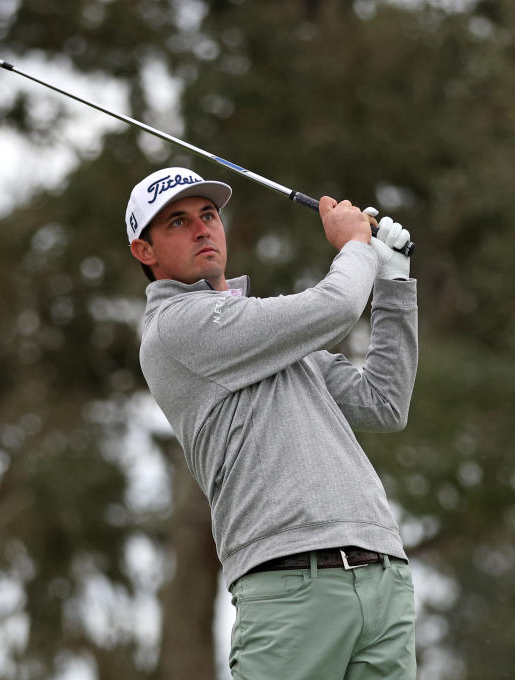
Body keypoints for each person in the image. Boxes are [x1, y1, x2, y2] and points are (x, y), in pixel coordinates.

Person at [126, 166, 418, 679]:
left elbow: (383, 404)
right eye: (177, 222)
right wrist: (356, 247)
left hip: (381, 576)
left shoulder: (265, 332)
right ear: (144, 251)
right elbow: (338, 306)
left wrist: (393, 281)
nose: (201, 229)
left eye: (209, 215)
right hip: (289, 585)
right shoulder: (176, 329)